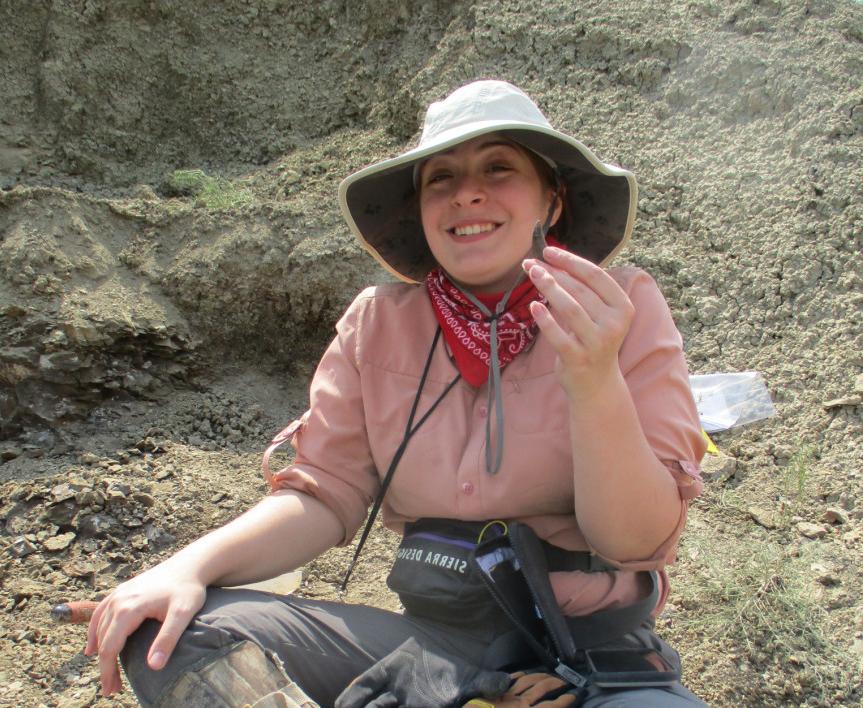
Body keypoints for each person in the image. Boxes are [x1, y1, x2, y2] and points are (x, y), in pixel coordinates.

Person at [85, 80, 707, 707]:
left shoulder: (619, 309)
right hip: (432, 646)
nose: (467, 192)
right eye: (441, 178)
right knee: (175, 634)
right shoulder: (376, 324)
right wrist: (184, 568)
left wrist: (594, 379)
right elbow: (327, 494)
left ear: (553, 199)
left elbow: (635, 542)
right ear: (420, 209)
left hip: (591, 656)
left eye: (499, 168)